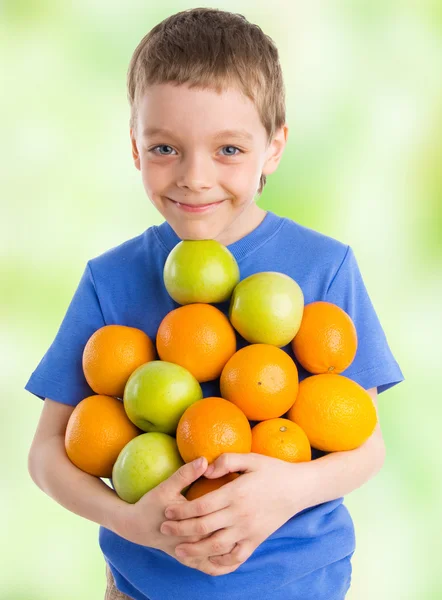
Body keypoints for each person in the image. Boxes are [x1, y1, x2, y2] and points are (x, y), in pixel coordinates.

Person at [25, 7, 405, 600]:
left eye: (228, 149)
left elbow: (367, 446)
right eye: (165, 148)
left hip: (300, 585)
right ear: (135, 148)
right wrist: (129, 522)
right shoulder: (111, 278)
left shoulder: (324, 267)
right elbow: (47, 453)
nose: (194, 178)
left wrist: (287, 490)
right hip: (143, 586)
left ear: (273, 148)